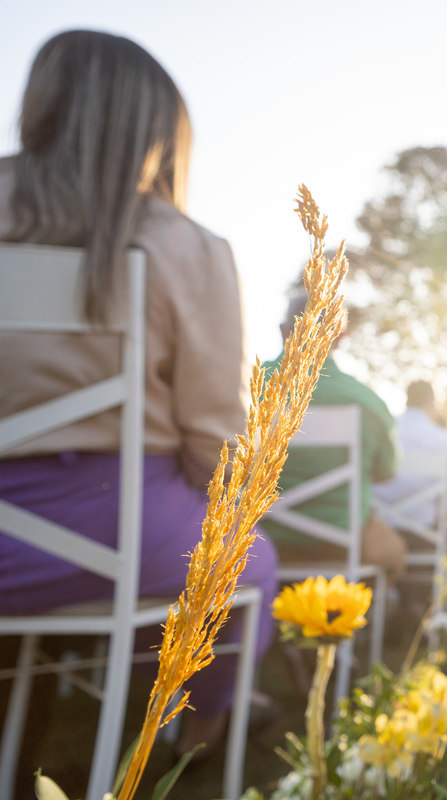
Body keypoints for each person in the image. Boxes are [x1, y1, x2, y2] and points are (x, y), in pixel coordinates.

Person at [0, 30, 277, 756]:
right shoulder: (183, 243)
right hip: (118, 527)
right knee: (250, 558)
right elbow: (215, 443)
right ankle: (199, 732)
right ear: (153, 134)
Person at [261, 293, 408, 579]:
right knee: (395, 550)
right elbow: (385, 474)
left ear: (283, 331)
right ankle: (368, 615)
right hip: (341, 542)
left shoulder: (245, 387)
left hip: (255, 538)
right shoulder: (367, 402)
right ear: (341, 337)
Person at [372, 380, 447, 544]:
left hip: (378, 532)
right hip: (425, 534)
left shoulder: (382, 431)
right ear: (433, 402)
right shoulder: (446, 442)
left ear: (407, 399)